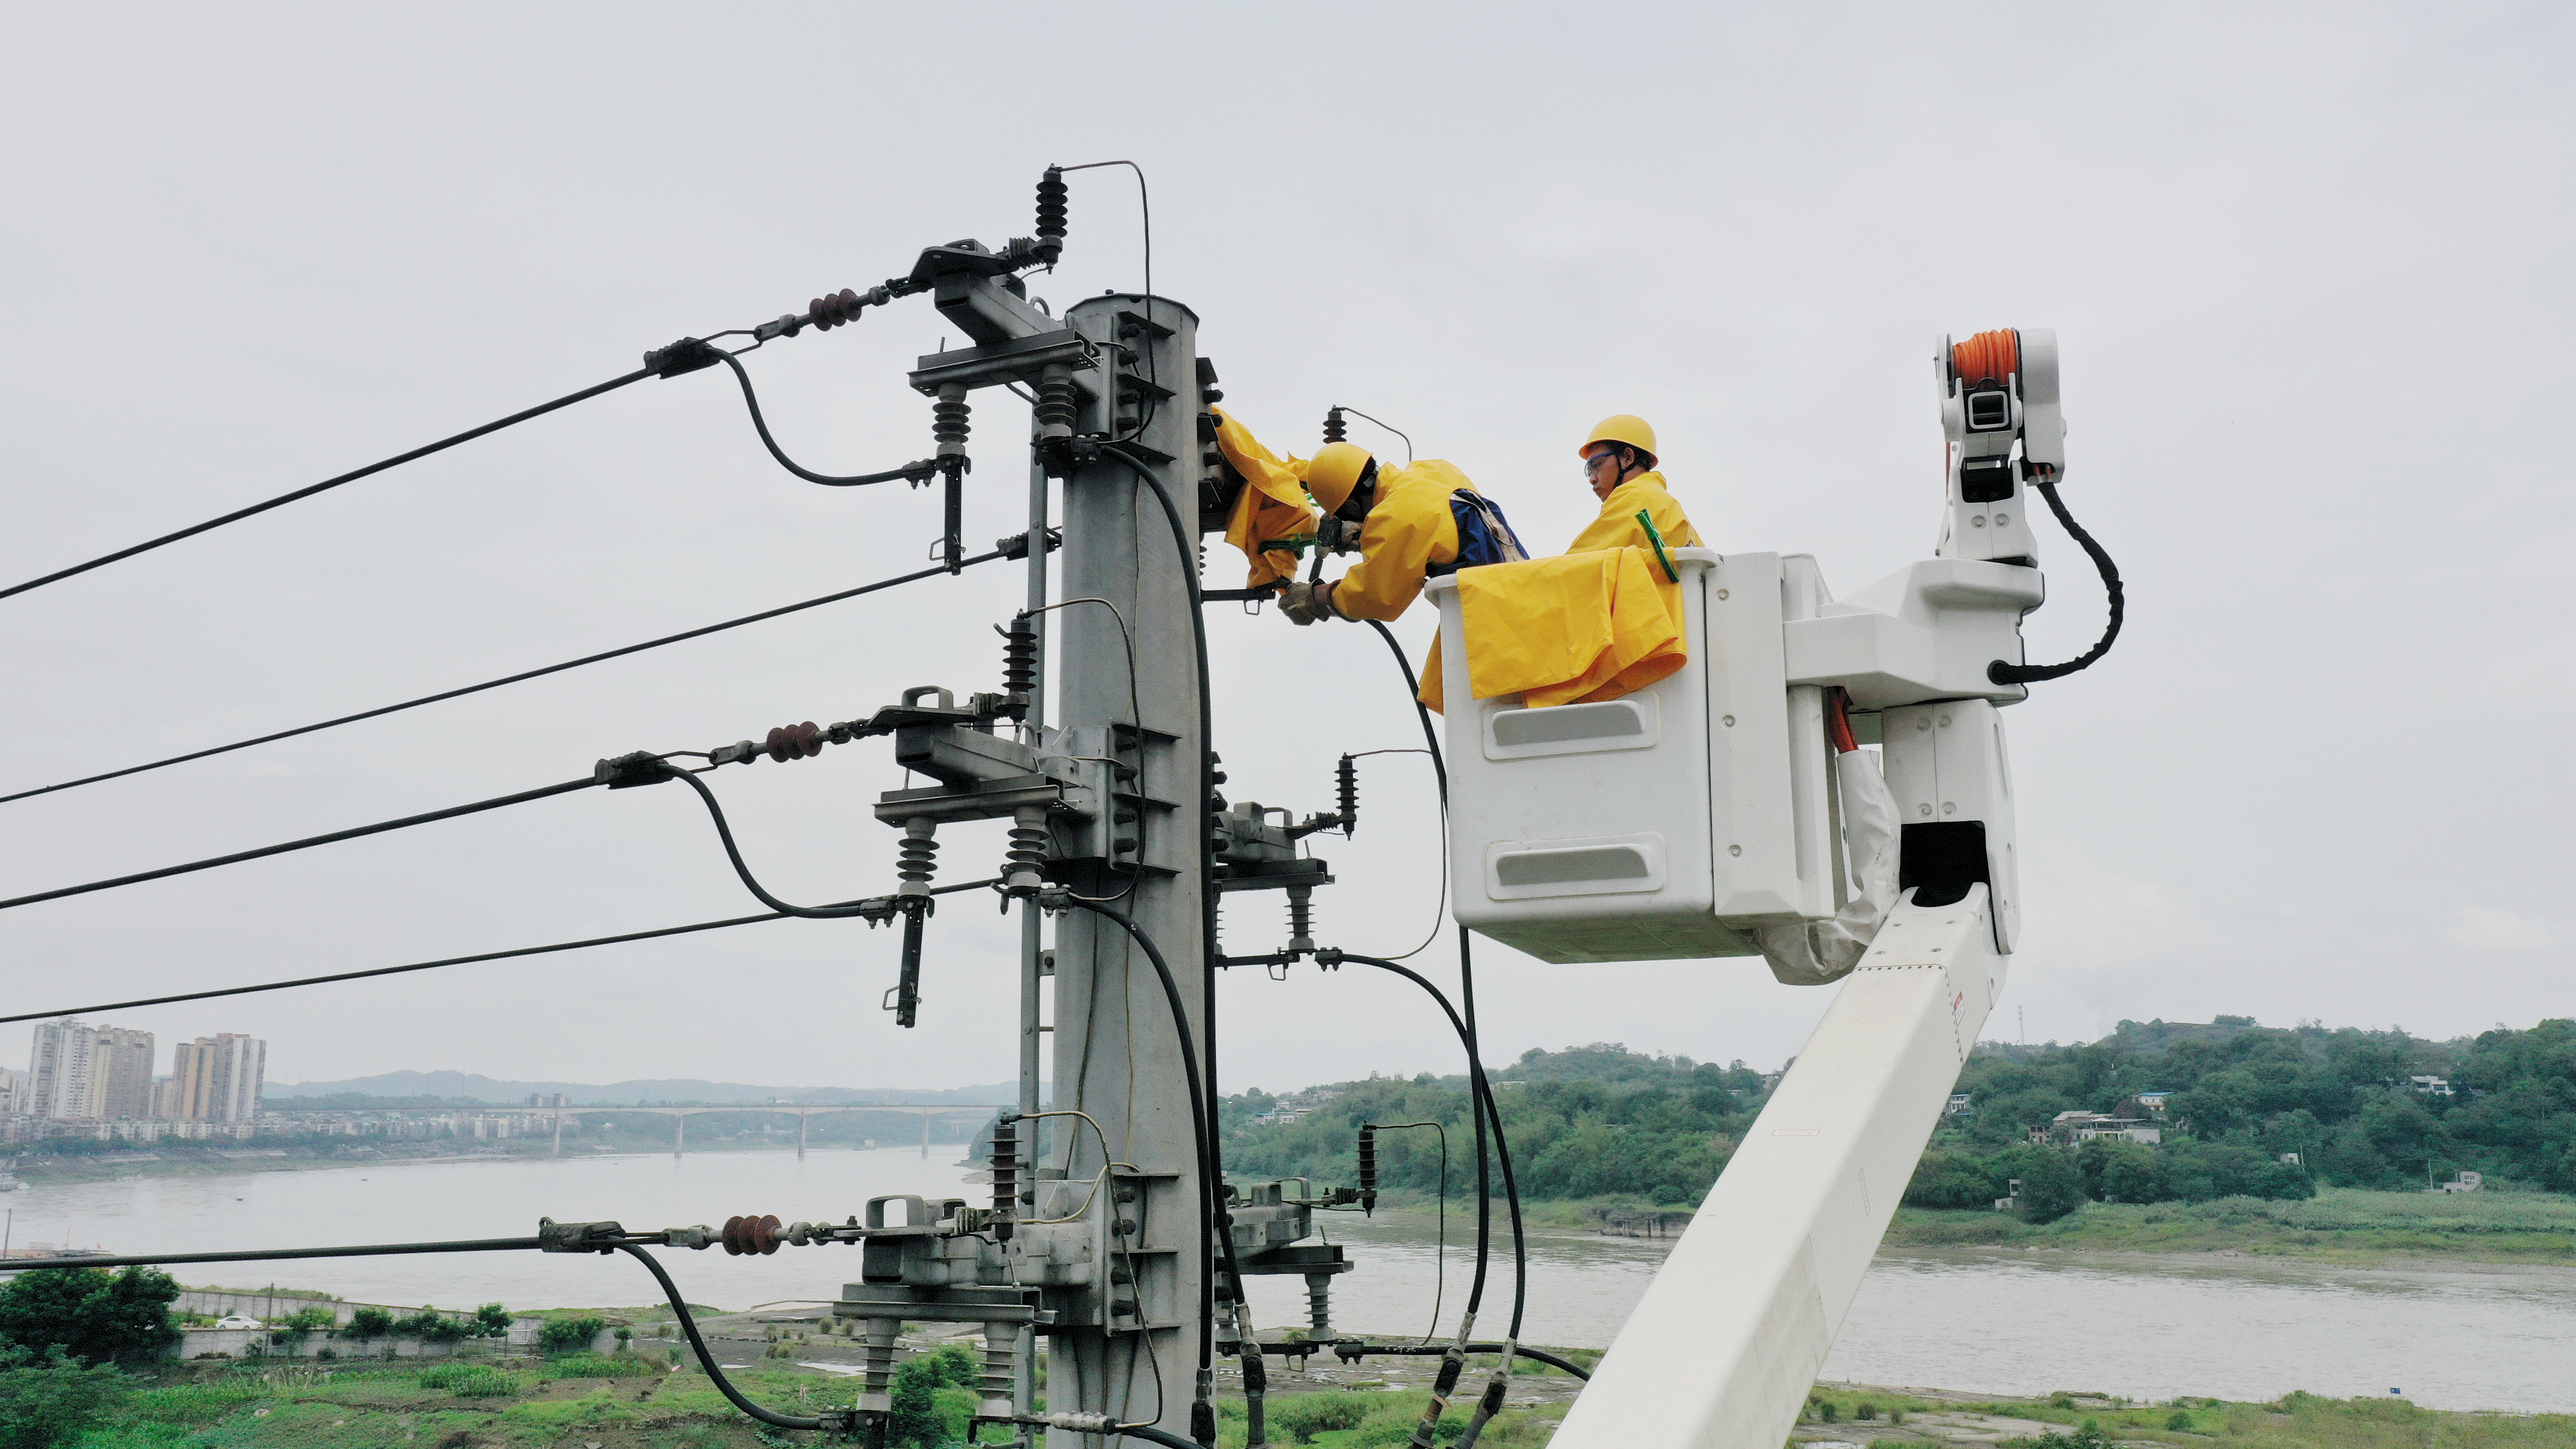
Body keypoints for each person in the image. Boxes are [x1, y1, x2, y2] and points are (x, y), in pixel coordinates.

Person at [1266, 441, 1525, 625]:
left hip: (1493, 616)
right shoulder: (1434, 470)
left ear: (1353, 505)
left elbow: (1376, 596)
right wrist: (1366, 535)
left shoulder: (1394, 519)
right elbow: (1437, 526)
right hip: (1518, 586)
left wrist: (1315, 598)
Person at [1565, 414, 1700, 555]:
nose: (1592, 479)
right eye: (1589, 471)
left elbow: (1573, 566)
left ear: (1628, 458)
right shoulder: (1668, 507)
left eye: (1597, 465)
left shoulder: (1635, 500)